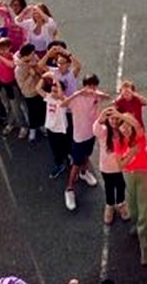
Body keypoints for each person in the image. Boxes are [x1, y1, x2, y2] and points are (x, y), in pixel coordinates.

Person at [62, 74, 108, 211]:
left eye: (94, 86)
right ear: (84, 86)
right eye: (89, 86)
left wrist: (94, 92)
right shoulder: (77, 99)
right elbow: (63, 104)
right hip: (79, 137)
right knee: (76, 164)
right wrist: (78, 93)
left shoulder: (96, 95)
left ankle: (84, 173)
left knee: (87, 156)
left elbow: (107, 97)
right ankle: (69, 189)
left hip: (91, 133)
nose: (92, 89)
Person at [116, 112, 147, 266]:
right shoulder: (119, 142)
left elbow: (137, 125)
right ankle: (137, 225)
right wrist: (132, 152)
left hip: (143, 174)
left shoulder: (139, 136)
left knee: (145, 212)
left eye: (127, 125)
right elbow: (121, 165)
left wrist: (121, 114)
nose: (125, 128)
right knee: (133, 206)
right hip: (129, 175)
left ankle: (146, 248)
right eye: (122, 125)